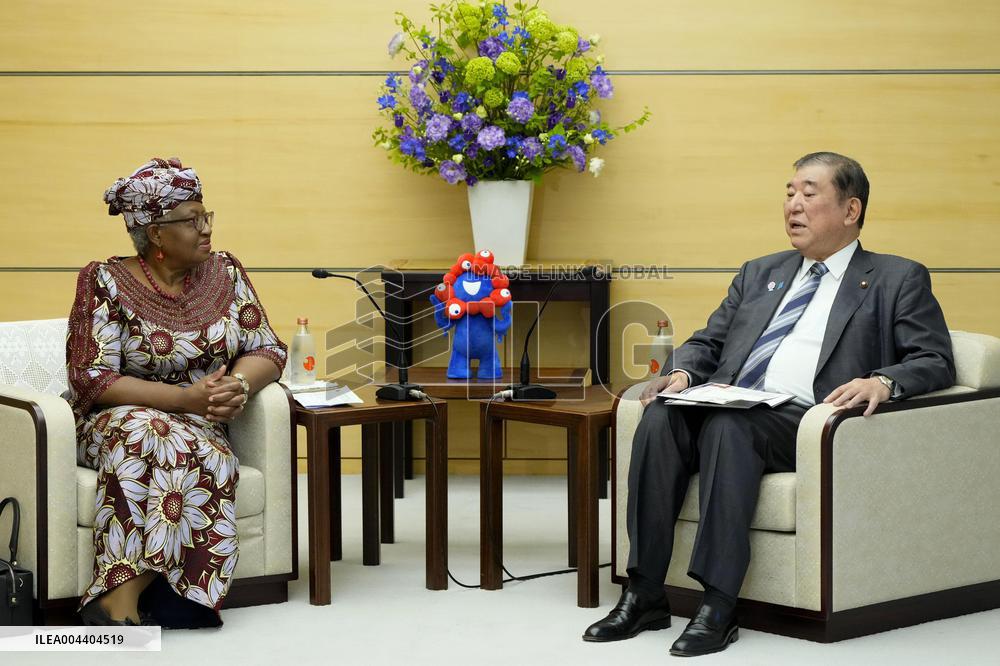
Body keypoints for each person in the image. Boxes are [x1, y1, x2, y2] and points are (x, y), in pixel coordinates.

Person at [582, 152, 955, 656]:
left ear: (850, 210)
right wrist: (682, 372)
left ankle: (719, 603)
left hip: (802, 418)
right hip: (729, 398)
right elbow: (708, 341)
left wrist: (885, 382)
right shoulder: (760, 272)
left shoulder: (896, 278)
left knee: (731, 430)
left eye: (808, 193)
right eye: (788, 192)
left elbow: (934, 358)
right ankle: (645, 591)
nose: (793, 205)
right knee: (661, 417)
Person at [66, 157, 287, 627]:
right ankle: (122, 598)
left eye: (206, 216)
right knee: (150, 434)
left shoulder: (226, 274)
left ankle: (136, 597)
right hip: (117, 420)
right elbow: (90, 376)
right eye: (192, 220)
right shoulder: (103, 281)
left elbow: (268, 347)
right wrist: (183, 400)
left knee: (194, 447)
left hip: (201, 424)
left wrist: (240, 383)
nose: (206, 229)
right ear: (156, 234)